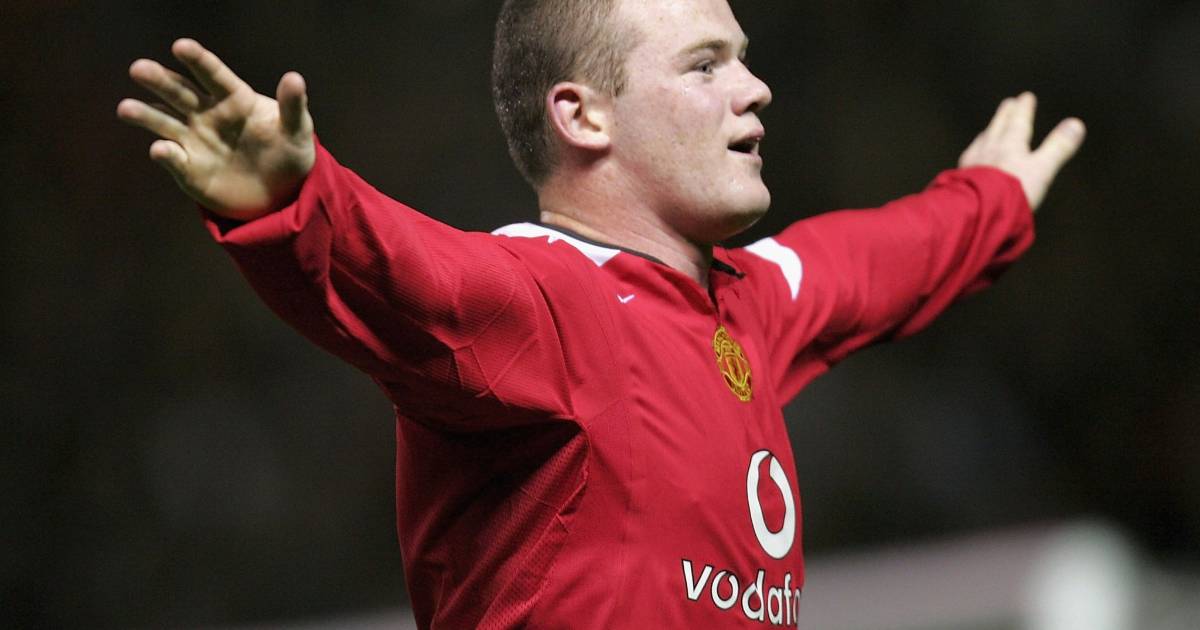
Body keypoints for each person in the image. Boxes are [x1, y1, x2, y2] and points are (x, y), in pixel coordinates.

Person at [117, 0, 1084, 627]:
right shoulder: (542, 302)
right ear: (583, 116)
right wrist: (293, 202)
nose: (755, 88)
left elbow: (869, 264)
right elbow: (401, 272)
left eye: (743, 60)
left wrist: (990, 200)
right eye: (705, 65)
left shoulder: (744, 304)